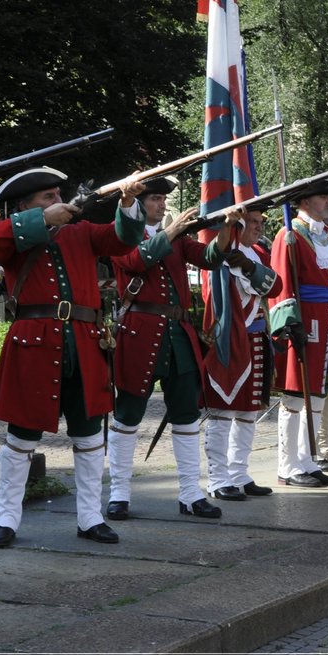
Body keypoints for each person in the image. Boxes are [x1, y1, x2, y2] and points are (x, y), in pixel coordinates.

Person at [0, 166, 145, 548]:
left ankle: (90, 517)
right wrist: (40, 220)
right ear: (25, 207)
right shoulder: (16, 234)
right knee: (20, 438)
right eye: (47, 198)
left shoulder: (82, 232)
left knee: (88, 436)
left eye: (58, 195)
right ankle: (6, 518)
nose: (58, 201)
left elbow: (123, 239)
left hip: (84, 342)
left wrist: (128, 201)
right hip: (33, 343)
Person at [105, 177, 234, 522]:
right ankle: (119, 493)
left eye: (164, 199)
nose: (163, 205)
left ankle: (191, 493)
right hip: (139, 334)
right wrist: (173, 230)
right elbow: (136, 261)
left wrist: (228, 225)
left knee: (187, 417)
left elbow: (210, 258)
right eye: (156, 199)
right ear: (138, 204)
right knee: (127, 416)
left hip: (178, 335)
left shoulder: (178, 239)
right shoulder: (120, 237)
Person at [266, 178, 328, 487]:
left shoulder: (322, 235)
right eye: (322, 198)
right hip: (304, 321)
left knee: (317, 392)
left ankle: (306, 459)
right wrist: (289, 322)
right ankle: (288, 465)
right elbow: (282, 282)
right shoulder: (289, 236)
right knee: (295, 395)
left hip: (327, 318)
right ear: (304, 203)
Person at [201, 206, 278, 498]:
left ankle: (239, 474)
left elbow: (275, 285)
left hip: (255, 336)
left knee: (248, 411)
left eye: (260, 222)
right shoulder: (218, 254)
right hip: (230, 338)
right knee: (222, 412)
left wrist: (248, 266)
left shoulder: (256, 253)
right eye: (252, 222)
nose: (258, 227)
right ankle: (218, 480)